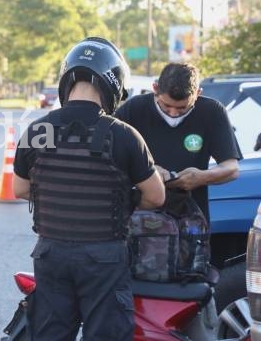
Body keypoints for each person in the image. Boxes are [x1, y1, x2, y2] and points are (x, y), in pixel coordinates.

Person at [12, 37, 165, 340]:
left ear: (67, 78)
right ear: (114, 84)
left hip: (50, 253)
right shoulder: (124, 135)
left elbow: (19, 189)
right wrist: (125, 201)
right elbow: (157, 196)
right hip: (104, 257)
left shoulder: (38, 129)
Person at [114, 63, 241, 222]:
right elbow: (110, 158)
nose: (173, 113)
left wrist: (202, 177)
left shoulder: (212, 112)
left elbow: (232, 168)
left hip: (190, 221)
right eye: (166, 106)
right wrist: (147, 172)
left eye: (182, 108)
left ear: (198, 93)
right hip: (139, 220)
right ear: (155, 88)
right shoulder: (134, 109)